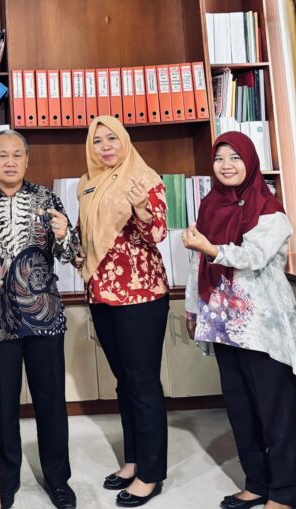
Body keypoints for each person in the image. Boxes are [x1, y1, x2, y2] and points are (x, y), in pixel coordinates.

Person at [0, 129, 79, 509]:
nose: (10, 162)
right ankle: (4, 480)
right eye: (2, 155)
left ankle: (58, 480)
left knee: (51, 403)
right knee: (2, 406)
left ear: (27, 160)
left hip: (45, 318)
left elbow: (71, 254)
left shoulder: (47, 199)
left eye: (17, 155)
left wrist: (65, 234)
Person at [183, 131, 296, 509]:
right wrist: (192, 308)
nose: (226, 165)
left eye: (235, 157)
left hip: (262, 327)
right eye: (219, 158)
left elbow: (253, 257)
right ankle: (256, 483)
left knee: (276, 411)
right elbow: (197, 262)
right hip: (223, 323)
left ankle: (285, 491)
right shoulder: (209, 205)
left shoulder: (270, 209)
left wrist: (211, 248)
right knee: (240, 408)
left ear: (250, 161)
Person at [74, 115, 169, 507]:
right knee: (124, 382)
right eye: (98, 141)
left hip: (140, 295)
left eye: (112, 138)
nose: (106, 147)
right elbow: (87, 237)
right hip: (101, 294)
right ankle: (133, 462)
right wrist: (73, 247)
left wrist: (142, 210)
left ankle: (151, 474)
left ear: (125, 140)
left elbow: (158, 233)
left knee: (142, 383)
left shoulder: (144, 178)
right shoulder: (87, 183)